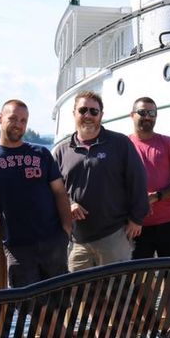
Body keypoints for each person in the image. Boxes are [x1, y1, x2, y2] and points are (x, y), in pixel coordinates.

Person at [53, 91, 148, 271]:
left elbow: (138, 180)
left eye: (93, 111)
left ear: (101, 115)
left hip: (113, 235)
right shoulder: (61, 151)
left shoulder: (120, 143)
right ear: (74, 113)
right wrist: (70, 204)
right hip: (77, 240)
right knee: (79, 295)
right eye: (83, 110)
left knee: (117, 293)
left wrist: (137, 218)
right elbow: (55, 191)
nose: (88, 115)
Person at [0, 100, 72, 287]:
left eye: (23, 120)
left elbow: (60, 192)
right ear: (0, 118)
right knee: (26, 304)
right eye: (13, 118)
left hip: (53, 239)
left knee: (58, 302)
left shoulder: (41, 153)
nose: (18, 124)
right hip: (17, 244)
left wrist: (66, 230)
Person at [128, 97, 170, 259]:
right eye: (142, 112)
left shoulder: (169, 143)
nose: (148, 116)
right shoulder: (123, 145)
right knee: (137, 280)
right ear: (132, 115)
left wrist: (156, 197)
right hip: (135, 224)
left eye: (152, 113)